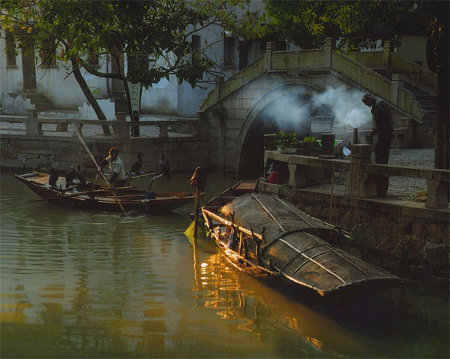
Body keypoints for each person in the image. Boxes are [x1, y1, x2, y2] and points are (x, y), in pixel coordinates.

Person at [362, 93, 394, 195]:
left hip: (385, 134)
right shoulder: (376, 105)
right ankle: (380, 170)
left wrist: (376, 132)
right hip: (383, 134)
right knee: (379, 152)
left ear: (369, 99)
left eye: (366, 102)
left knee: (381, 153)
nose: (366, 105)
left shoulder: (380, 105)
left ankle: (381, 172)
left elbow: (383, 123)